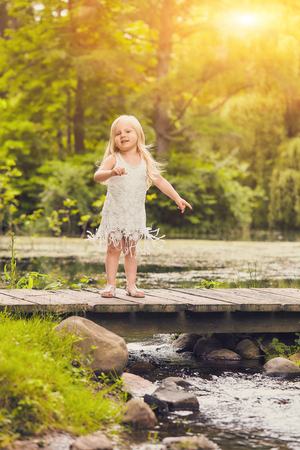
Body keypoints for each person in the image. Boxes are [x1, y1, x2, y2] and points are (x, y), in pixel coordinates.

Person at [87, 115, 192, 298]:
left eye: (128, 131)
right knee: (113, 249)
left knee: (131, 250)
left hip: (135, 214)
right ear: (114, 139)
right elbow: (97, 176)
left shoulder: (144, 159)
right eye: (118, 133)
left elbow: (159, 180)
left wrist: (177, 197)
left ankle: (131, 286)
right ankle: (111, 285)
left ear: (138, 135)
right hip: (115, 212)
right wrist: (111, 172)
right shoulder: (114, 158)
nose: (123, 135)